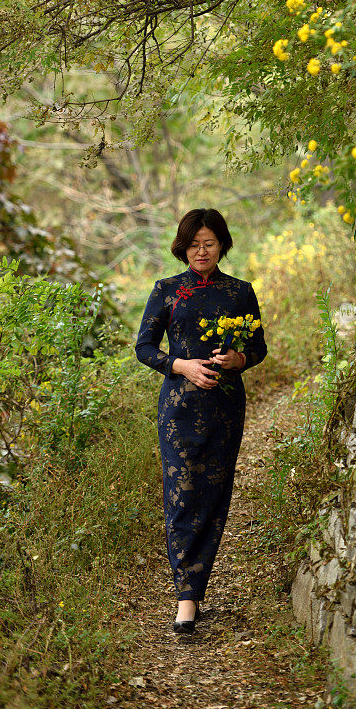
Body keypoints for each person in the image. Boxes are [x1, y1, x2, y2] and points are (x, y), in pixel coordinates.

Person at [134, 208, 267, 634]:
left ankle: (196, 589)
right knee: (181, 494)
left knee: (214, 494)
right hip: (179, 408)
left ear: (222, 244)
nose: (201, 251)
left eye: (208, 243)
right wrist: (181, 366)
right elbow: (144, 347)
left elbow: (259, 347)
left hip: (226, 407)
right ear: (182, 248)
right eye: (193, 244)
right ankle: (184, 597)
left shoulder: (240, 292)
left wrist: (238, 358)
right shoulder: (167, 290)